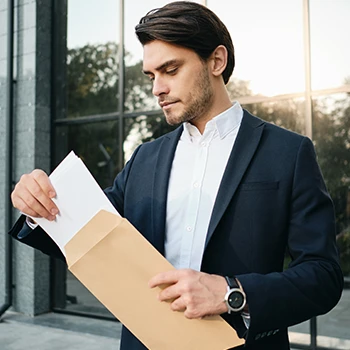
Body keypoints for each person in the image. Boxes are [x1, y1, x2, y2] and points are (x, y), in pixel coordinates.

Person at [9, 2, 343, 350]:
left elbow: (323, 277)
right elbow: (88, 232)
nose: (157, 89)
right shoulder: (144, 158)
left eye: (170, 69)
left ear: (216, 61)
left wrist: (231, 293)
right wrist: (39, 203)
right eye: (152, 76)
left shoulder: (288, 152)